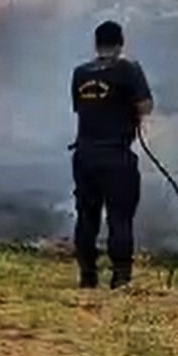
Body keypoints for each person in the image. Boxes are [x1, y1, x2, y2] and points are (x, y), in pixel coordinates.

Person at [70, 20, 154, 289]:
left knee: (86, 216)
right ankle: (120, 277)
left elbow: (81, 108)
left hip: (85, 156)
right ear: (120, 44)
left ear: (96, 44)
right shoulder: (128, 70)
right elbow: (145, 106)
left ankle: (87, 275)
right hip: (116, 156)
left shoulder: (80, 73)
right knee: (119, 217)